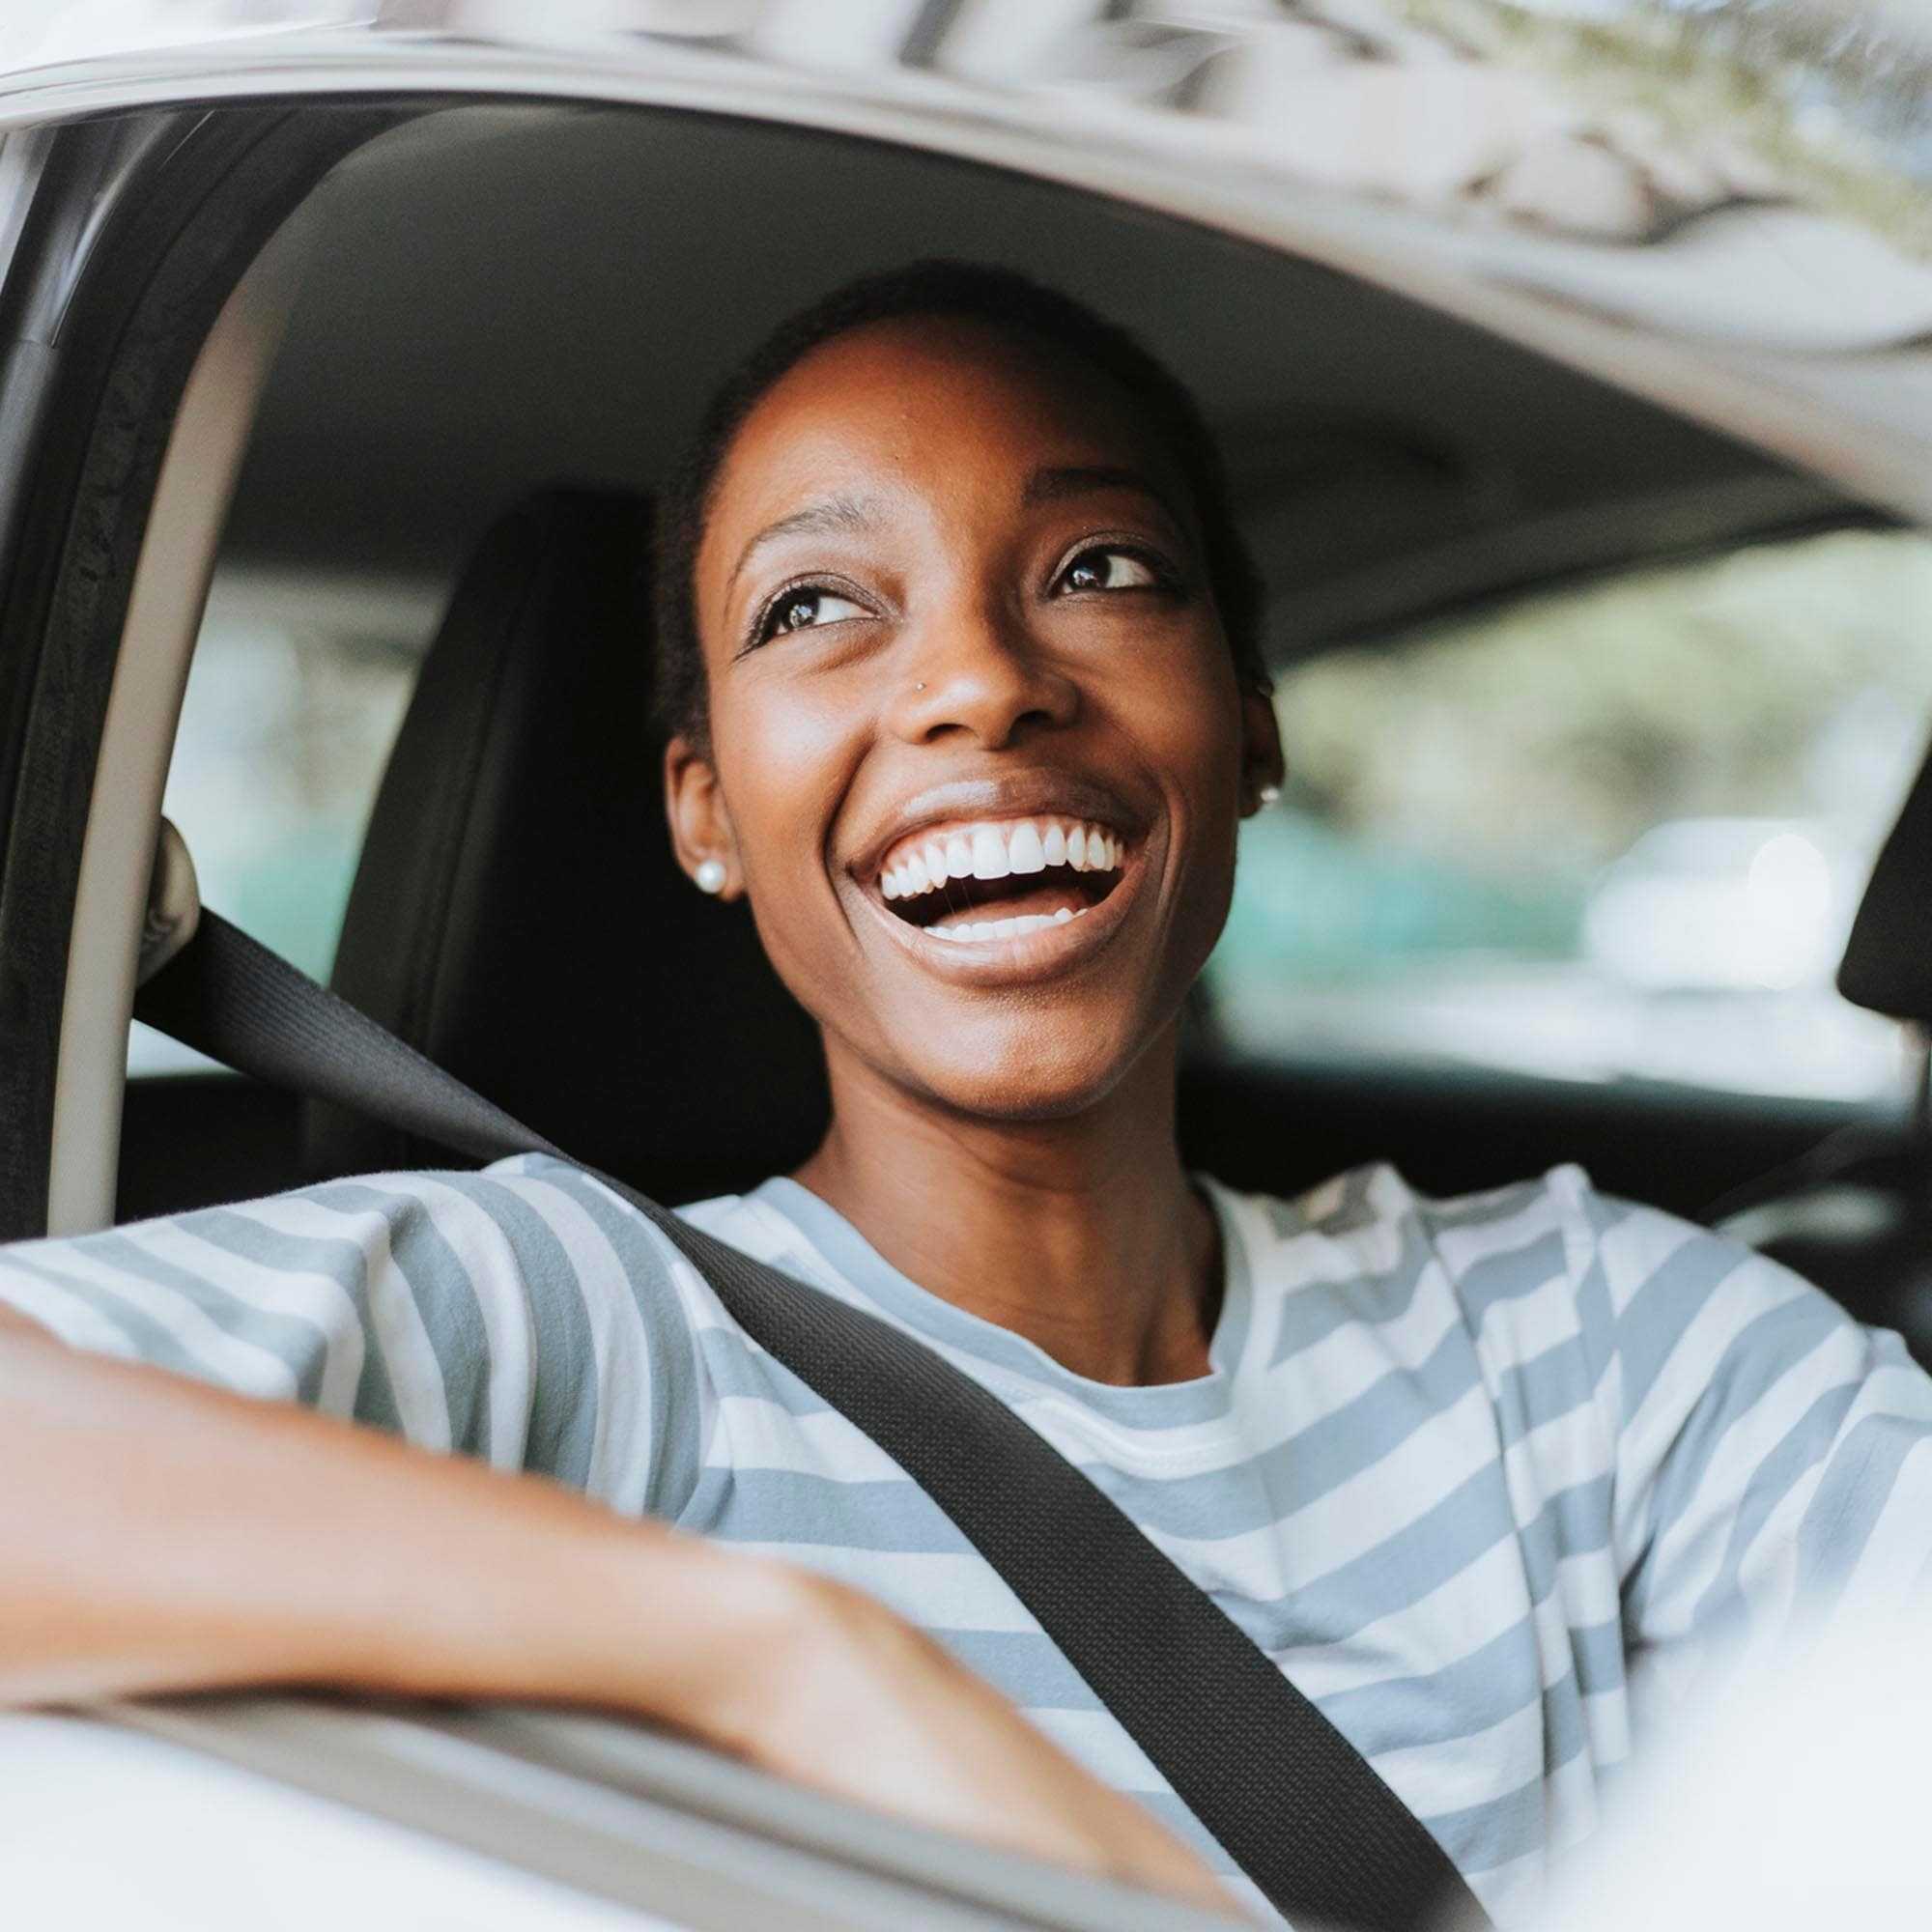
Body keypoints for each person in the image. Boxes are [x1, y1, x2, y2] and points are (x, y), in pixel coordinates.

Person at [1, 261, 1927, 1928]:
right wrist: (783, 1658)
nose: (981, 683)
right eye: (818, 605)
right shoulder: (598, 1316)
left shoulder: (1589, 1340)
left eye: (1098, 570)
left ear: (1246, 725)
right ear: (707, 816)